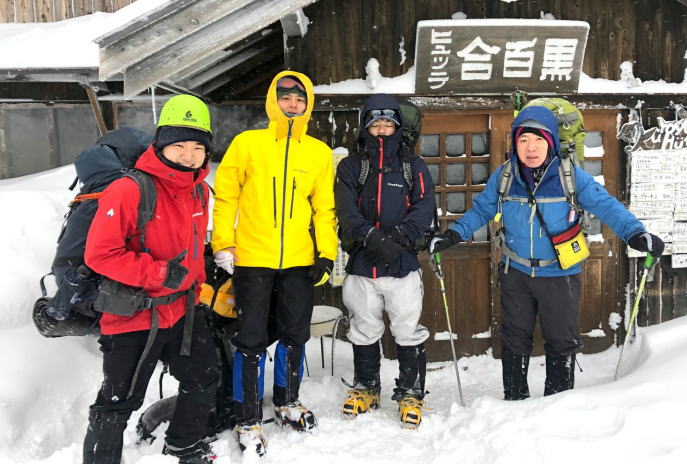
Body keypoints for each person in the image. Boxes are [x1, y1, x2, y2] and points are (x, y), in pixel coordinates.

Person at [429, 105, 664, 400]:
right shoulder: (505, 176)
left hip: (559, 274)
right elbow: (481, 210)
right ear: (515, 142)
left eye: (539, 139)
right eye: (524, 139)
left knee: (561, 341)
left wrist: (635, 233)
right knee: (514, 341)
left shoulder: (569, 177)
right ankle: (514, 402)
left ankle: (558, 405)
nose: (531, 148)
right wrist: (454, 234)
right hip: (516, 272)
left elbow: (607, 206)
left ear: (551, 141)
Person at [82, 94, 219, 464]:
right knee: (117, 404)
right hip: (134, 315)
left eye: (198, 147)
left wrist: (198, 285)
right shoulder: (130, 189)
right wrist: (159, 273)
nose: (189, 155)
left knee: (204, 378)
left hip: (182, 311)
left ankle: (184, 445)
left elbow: (193, 248)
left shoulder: (199, 190)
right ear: (160, 144)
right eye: (179, 146)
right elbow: (100, 254)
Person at [211, 71, 337, 456]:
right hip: (252, 260)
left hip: (298, 261)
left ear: (308, 104)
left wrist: (327, 254)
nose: (292, 104)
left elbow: (324, 208)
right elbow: (226, 197)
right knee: (250, 338)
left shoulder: (318, 152)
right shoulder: (248, 144)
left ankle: (287, 401)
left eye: (300, 99)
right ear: (273, 101)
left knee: (295, 334)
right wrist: (223, 244)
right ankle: (247, 416)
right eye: (286, 98)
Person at [334, 94, 435, 429]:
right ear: (365, 126)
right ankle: (367, 388)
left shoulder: (413, 166)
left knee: (407, 329)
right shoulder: (351, 166)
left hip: (402, 266)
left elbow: (424, 208)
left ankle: (411, 392)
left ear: (397, 127)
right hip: (363, 265)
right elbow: (346, 210)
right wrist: (372, 238)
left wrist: (399, 239)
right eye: (375, 123)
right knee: (364, 327)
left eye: (387, 123)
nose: (381, 129)